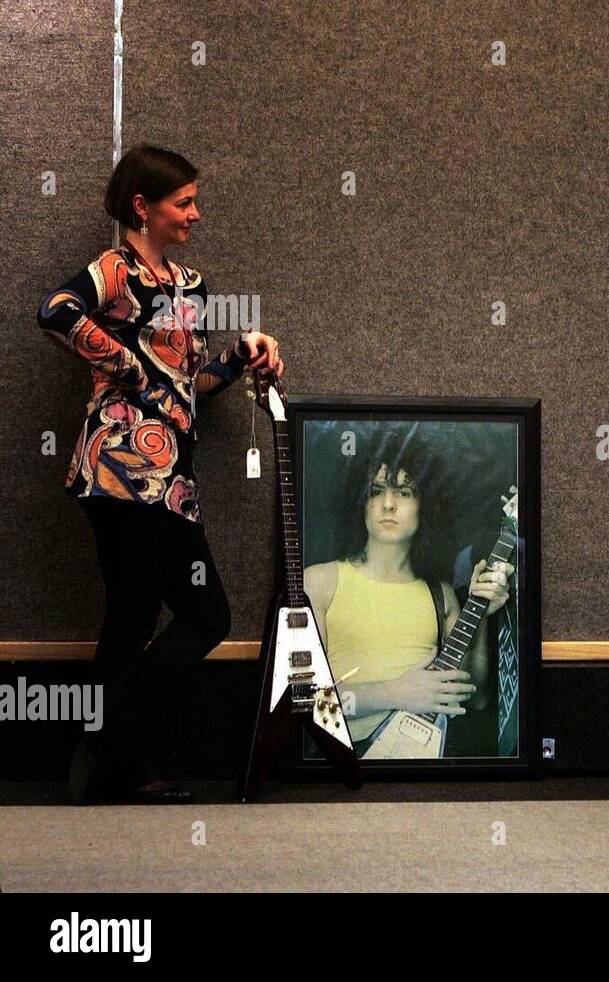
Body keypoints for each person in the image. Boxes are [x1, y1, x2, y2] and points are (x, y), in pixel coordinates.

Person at [37, 144, 284, 803]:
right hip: (119, 467)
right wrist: (133, 368)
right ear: (142, 207)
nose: (196, 214)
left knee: (143, 614)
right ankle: (113, 750)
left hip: (168, 472)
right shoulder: (114, 272)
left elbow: (192, 382)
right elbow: (55, 311)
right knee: (187, 613)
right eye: (184, 203)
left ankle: (111, 763)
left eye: (196, 202)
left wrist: (243, 355)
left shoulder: (189, 286)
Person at [302, 433, 513, 758]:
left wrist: (482, 615)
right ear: (360, 501)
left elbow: (477, 698)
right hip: (342, 767)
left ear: (425, 504)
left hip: (422, 772)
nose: (388, 504)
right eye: (376, 491)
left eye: (404, 491)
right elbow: (305, 702)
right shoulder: (318, 583)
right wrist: (395, 693)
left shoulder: (441, 595)